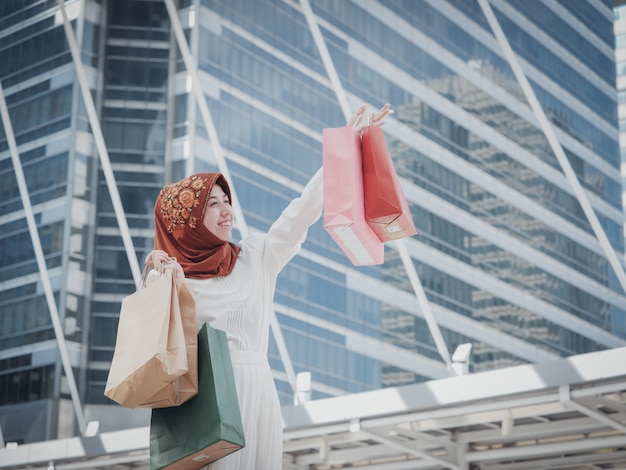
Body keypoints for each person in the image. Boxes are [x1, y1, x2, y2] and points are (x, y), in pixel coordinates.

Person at [145, 103, 393, 469]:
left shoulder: (255, 256)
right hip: (206, 398)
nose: (227, 210)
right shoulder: (169, 275)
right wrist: (156, 278)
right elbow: (152, 341)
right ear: (186, 222)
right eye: (212, 205)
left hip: (260, 390)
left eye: (227, 201)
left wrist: (348, 142)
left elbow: (301, 212)